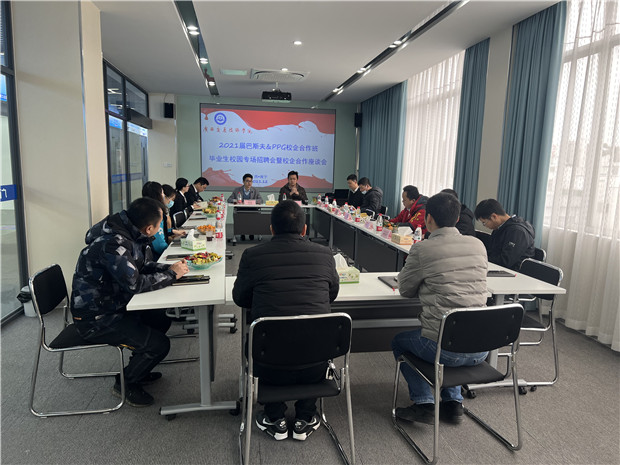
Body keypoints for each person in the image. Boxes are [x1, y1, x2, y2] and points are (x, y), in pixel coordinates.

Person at [233, 200, 339, 441]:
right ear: (305, 229)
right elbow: (331, 294)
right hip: (316, 359)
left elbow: (240, 298)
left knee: (268, 336)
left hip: (269, 360)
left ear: (271, 229)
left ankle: (274, 417)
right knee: (311, 337)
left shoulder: (252, 255)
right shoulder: (325, 254)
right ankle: (305, 416)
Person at [70, 197, 189, 407]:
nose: (160, 230)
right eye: (159, 226)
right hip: (96, 317)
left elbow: (140, 266)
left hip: (114, 304)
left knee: (160, 319)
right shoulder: (113, 244)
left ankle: (139, 367)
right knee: (159, 345)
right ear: (149, 228)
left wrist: (168, 269)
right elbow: (135, 283)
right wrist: (171, 275)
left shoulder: (128, 234)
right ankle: (125, 383)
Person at [391, 192, 488, 425]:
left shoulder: (423, 249)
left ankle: (424, 403)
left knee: (399, 342)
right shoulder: (478, 245)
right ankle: (453, 403)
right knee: (454, 332)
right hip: (482, 345)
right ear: (457, 219)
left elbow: (405, 289)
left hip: (444, 349)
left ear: (428, 218)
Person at [474, 199, 535, 270]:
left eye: (484, 223)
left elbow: (505, 261)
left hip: (515, 272)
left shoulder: (517, 231)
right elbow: (493, 251)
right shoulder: (500, 227)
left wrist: (481, 259)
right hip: (499, 268)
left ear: (494, 216)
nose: (485, 226)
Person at [141, 181, 169, 259]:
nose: (164, 195)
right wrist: (171, 250)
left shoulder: (143, 208)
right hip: (157, 257)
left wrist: (172, 231)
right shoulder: (156, 212)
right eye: (162, 193)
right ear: (158, 195)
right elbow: (159, 244)